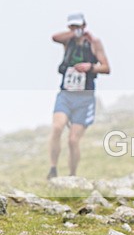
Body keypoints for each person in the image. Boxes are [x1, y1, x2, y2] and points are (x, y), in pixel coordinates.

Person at [47, 13, 110, 179]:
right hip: (66, 94)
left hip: (85, 98)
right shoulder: (68, 41)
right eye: (72, 27)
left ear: (84, 25)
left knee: (73, 140)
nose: (76, 30)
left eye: (78, 26)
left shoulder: (94, 43)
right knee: (57, 127)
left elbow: (106, 68)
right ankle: (53, 168)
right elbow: (54, 37)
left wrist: (89, 67)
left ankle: (72, 176)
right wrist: (74, 34)